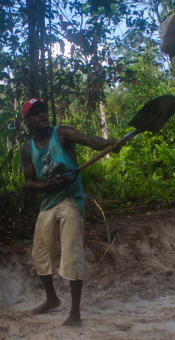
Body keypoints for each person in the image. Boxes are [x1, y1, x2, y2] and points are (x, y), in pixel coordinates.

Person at [21, 98, 120, 326]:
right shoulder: (27, 149)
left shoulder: (62, 133)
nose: (42, 115)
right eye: (36, 113)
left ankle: (75, 313)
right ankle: (52, 299)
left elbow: (90, 141)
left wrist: (109, 143)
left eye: (43, 111)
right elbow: (30, 184)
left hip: (71, 200)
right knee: (40, 255)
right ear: (28, 121)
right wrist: (53, 185)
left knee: (72, 254)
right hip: (49, 203)